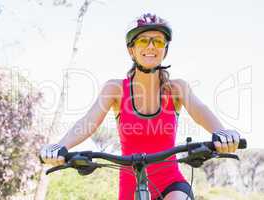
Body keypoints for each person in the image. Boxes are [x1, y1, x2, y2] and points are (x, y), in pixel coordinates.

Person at [40, 13, 241, 200]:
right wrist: (62, 145)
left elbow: (200, 110)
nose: (151, 46)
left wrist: (221, 132)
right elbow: (89, 121)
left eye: (159, 41)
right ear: (131, 49)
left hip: (171, 183)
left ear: (165, 49)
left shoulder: (177, 88)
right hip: (130, 186)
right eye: (144, 40)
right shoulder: (115, 89)